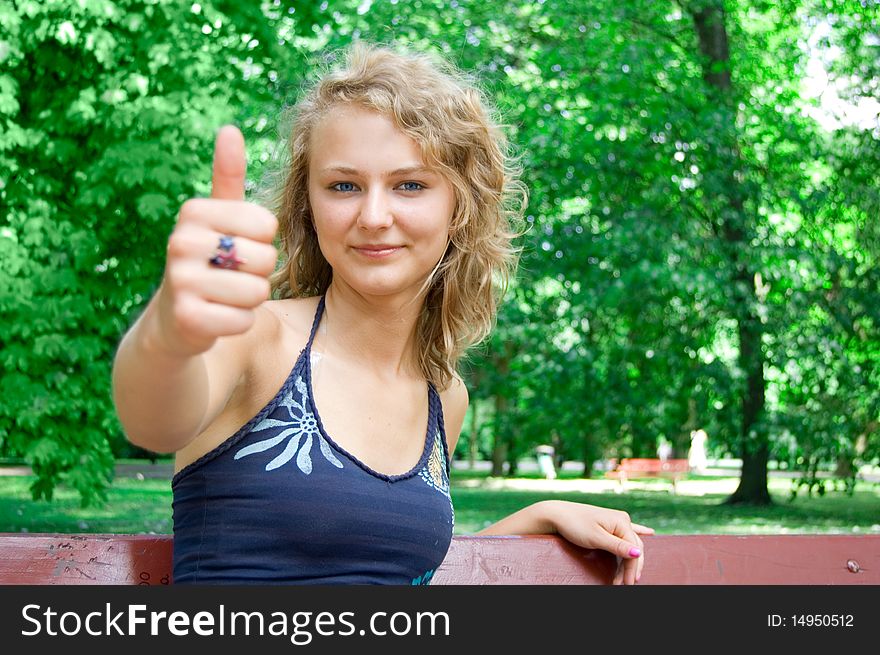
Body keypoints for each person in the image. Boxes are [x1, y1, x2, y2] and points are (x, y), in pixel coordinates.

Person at [111, 42, 653, 585]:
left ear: (459, 208)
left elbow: (392, 578)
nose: (373, 216)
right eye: (343, 186)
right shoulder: (255, 337)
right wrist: (169, 330)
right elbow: (153, 422)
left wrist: (536, 518)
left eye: (409, 185)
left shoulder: (443, 398)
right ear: (310, 205)